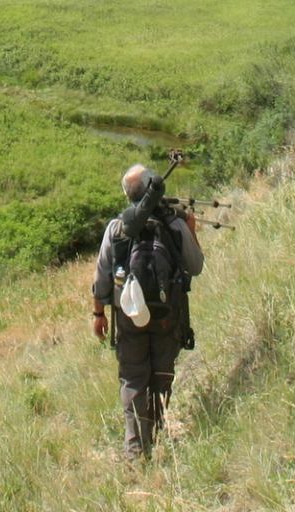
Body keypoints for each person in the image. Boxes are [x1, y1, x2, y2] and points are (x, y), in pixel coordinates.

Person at [91, 162, 204, 459]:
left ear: (129, 197)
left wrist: (98, 314)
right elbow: (196, 266)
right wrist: (192, 232)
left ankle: (135, 448)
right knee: (161, 374)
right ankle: (155, 430)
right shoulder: (174, 224)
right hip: (168, 315)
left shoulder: (116, 229)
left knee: (132, 378)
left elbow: (102, 276)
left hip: (129, 317)